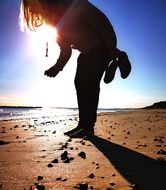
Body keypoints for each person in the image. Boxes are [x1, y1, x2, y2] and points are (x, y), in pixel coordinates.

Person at [19, 0, 131, 138]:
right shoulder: (54, 22)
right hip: (87, 52)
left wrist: (111, 49)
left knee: (89, 84)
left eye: (33, 5)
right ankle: (83, 125)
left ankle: (88, 127)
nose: (34, 11)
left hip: (101, 44)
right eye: (30, 9)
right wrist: (57, 68)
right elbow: (66, 50)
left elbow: (102, 23)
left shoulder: (71, 3)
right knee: (79, 83)